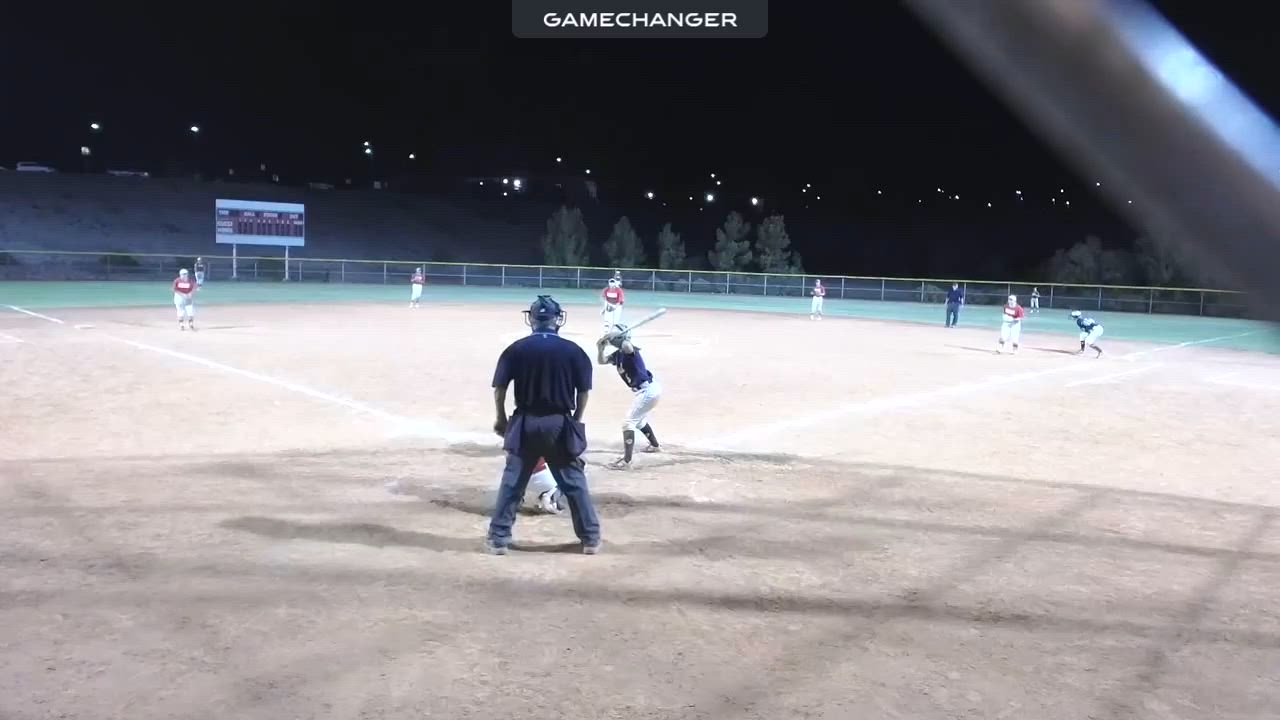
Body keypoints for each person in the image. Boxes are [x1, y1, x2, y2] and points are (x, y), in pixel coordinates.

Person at [488, 295, 601, 555]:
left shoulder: (516, 349)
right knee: (574, 483)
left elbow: (500, 389)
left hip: (525, 422)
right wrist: (576, 419)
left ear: (531, 319)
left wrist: (501, 418)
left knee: (512, 483)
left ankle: (498, 539)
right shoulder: (574, 350)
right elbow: (583, 392)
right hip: (558, 422)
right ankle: (590, 539)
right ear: (557, 319)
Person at [596, 323, 662, 469]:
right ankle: (655, 446)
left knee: (628, 423)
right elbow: (602, 361)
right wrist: (600, 348)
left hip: (647, 390)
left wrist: (615, 337)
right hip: (644, 391)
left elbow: (627, 346)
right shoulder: (618, 354)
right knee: (639, 421)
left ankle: (627, 461)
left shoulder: (630, 351)